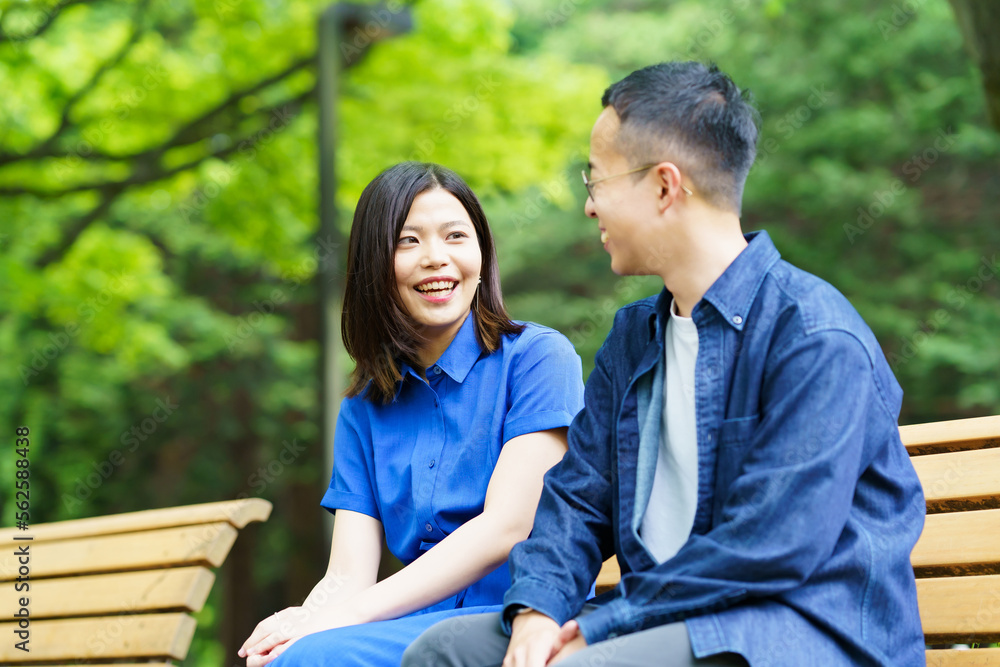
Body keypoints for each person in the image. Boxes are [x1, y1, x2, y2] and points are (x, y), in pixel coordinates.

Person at [403, 62, 926, 667]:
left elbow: (770, 546)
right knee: (445, 652)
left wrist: (606, 626)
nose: (588, 207)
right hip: (667, 621)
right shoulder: (634, 338)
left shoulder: (813, 335)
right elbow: (577, 500)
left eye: (596, 181)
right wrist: (540, 611)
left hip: (802, 632)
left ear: (663, 186)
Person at [238, 162, 585, 666]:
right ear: (374, 266)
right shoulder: (363, 408)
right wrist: (303, 619)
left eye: (455, 236)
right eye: (408, 242)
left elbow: (507, 527)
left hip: (525, 618)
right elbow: (347, 575)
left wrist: (335, 623)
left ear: (483, 254)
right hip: (416, 627)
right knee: (286, 656)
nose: (436, 258)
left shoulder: (537, 358)